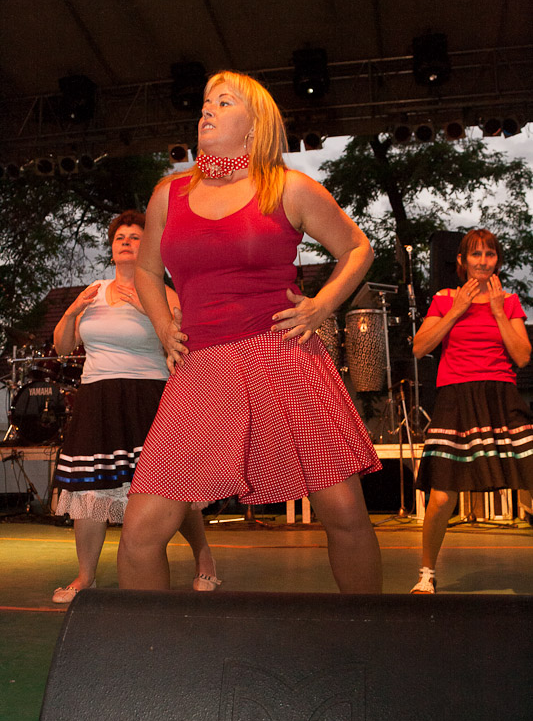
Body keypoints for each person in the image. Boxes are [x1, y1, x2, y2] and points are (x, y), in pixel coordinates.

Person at [117, 70, 382, 595]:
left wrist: (321, 306)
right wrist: (165, 325)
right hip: (203, 367)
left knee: (344, 511)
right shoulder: (169, 194)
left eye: (223, 102)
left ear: (255, 125)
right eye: (205, 102)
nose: (206, 110)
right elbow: (146, 271)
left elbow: (358, 248)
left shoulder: (289, 187)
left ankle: (373, 629)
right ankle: (144, 643)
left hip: (283, 357)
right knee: (141, 531)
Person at [52, 210, 219, 603]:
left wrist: (148, 308)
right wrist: (73, 310)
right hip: (97, 399)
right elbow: (62, 347)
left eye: (135, 237)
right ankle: (85, 576)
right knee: (91, 491)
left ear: (150, 248)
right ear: (112, 249)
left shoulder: (163, 292)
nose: (125, 242)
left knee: (169, 488)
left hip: (150, 399)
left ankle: (204, 558)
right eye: (119, 238)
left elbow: (186, 339)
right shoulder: (94, 291)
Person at [411, 228, 532, 593]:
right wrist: (457, 310)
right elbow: (420, 347)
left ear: (497, 261)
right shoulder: (444, 299)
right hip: (456, 397)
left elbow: (522, 356)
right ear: (462, 261)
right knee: (442, 496)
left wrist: (496, 311)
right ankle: (427, 573)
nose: (483, 261)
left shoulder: (508, 301)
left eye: (489, 254)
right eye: (476, 254)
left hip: (500, 395)